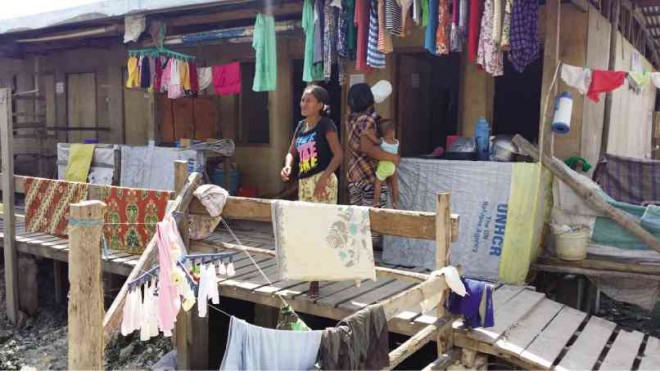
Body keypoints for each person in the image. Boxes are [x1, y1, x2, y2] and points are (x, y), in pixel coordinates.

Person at [280, 85, 343, 298]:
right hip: (306, 183)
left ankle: (315, 280)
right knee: (308, 229)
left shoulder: (327, 125)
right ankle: (313, 274)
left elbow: (338, 155)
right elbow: (291, 153)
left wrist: (323, 179)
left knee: (321, 230)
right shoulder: (300, 126)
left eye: (308, 100)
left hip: (323, 182)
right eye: (302, 100)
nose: (303, 104)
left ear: (320, 105)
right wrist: (288, 166)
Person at [346, 83, 400, 210]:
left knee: (357, 219)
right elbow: (368, 149)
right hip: (370, 177)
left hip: (355, 175)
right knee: (372, 220)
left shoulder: (351, 119)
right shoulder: (367, 120)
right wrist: (393, 157)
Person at [362, 119, 399, 209]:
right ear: (390, 131)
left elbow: (374, 141)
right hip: (392, 167)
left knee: (377, 184)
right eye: (394, 130)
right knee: (394, 184)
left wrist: (367, 134)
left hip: (383, 167)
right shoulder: (396, 142)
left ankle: (375, 202)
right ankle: (395, 202)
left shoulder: (382, 142)